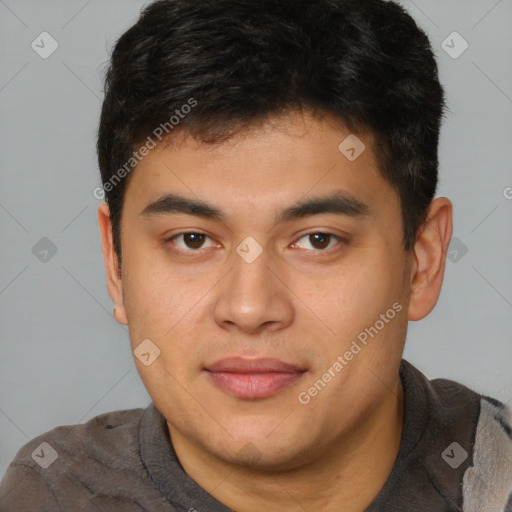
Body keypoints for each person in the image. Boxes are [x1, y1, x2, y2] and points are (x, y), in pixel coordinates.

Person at [1, 0, 511, 510]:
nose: (249, 308)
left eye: (317, 240)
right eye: (192, 240)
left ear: (421, 262)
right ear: (116, 264)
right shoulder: (50, 495)